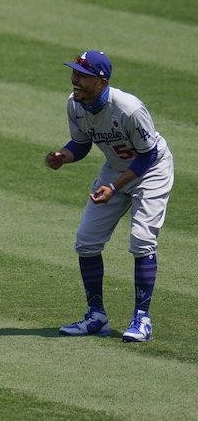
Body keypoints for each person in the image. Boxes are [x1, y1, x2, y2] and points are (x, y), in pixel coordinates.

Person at [45, 50, 174, 342]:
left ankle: (142, 319)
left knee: (142, 240)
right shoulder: (75, 104)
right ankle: (96, 317)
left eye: (82, 75)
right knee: (86, 241)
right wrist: (63, 156)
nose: (75, 79)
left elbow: (148, 155)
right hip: (115, 170)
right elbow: (81, 143)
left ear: (101, 82)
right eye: (74, 72)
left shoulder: (128, 108)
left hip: (151, 171)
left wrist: (115, 188)